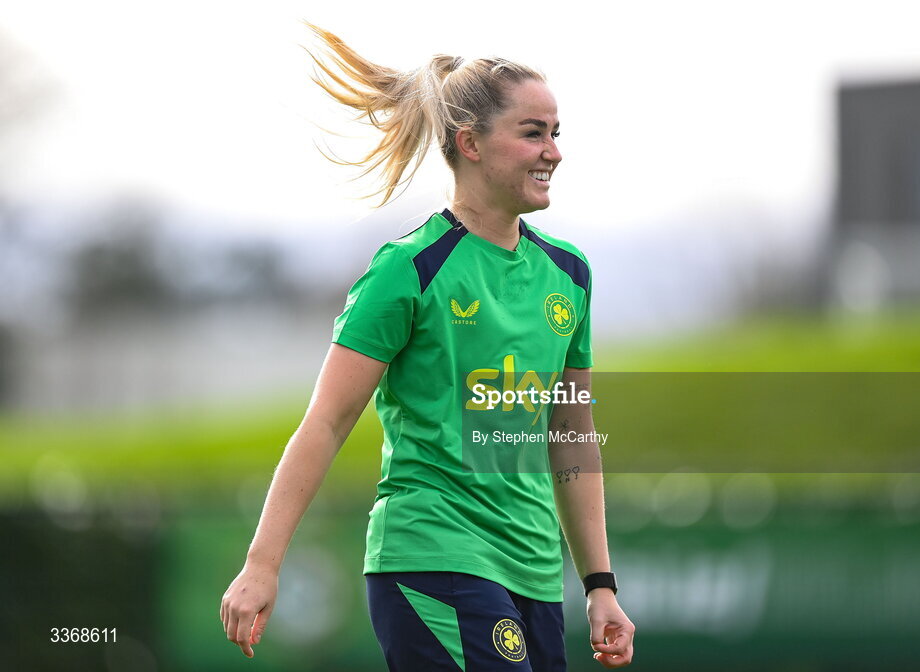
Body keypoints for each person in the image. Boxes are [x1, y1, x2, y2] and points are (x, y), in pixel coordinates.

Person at [220, 23, 635, 671]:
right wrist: (261, 565)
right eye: (533, 132)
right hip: (431, 558)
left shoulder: (570, 275)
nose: (553, 151)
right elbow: (326, 422)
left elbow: (572, 434)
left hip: (531, 573)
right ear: (470, 143)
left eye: (557, 133)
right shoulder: (408, 269)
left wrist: (600, 586)